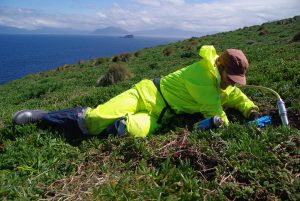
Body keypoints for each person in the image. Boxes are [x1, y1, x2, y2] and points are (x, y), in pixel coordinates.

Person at [12, 45, 259, 138]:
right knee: (95, 118)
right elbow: (215, 109)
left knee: (127, 130)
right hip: (145, 94)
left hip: (159, 115)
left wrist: (250, 109)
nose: (232, 84)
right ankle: (44, 117)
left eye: (237, 80)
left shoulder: (221, 82)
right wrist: (234, 129)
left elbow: (234, 96)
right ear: (220, 66)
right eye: (231, 78)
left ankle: (85, 128)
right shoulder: (203, 79)